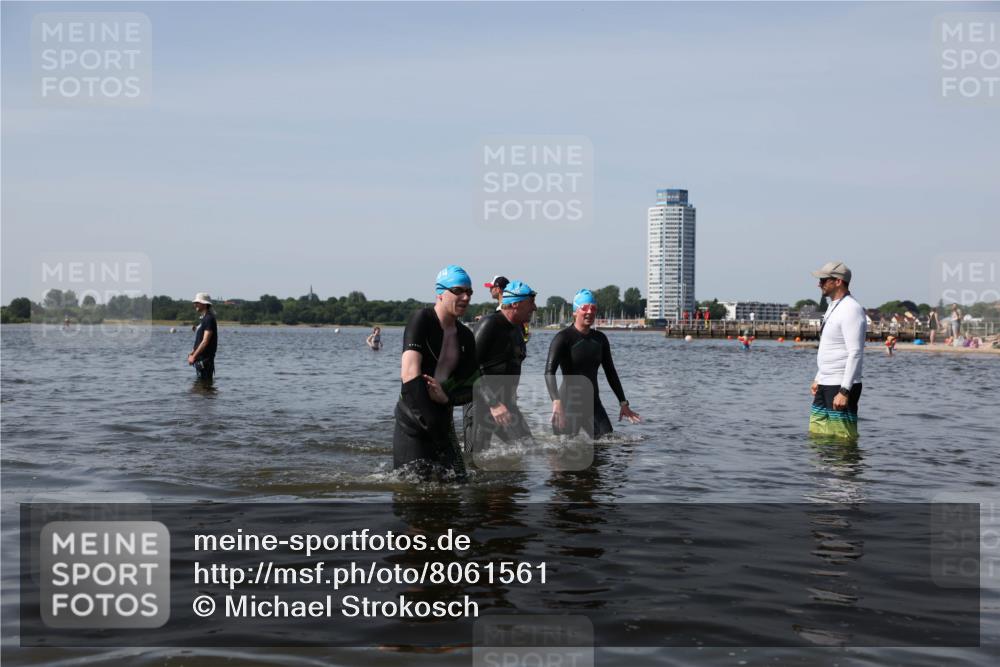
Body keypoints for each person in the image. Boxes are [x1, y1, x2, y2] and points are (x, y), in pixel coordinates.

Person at [392, 265, 478, 480]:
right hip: (413, 419)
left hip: (443, 419)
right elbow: (409, 374)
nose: (466, 297)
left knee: (458, 484)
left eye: (469, 292)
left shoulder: (466, 336)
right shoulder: (422, 320)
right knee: (413, 489)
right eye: (459, 291)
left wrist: (447, 397)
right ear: (440, 293)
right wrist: (434, 428)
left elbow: (474, 388)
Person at [545, 289, 641, 439]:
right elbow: (549, 372)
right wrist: (556, 402)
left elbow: (611, 372)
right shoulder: (563, 338)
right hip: (568, 405)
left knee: (607, 444)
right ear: (575, 312)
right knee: (563, 453)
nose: (590, 311)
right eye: (585, 308)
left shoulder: (600, 339)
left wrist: (623, 403)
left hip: (593, 404)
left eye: (593, 308)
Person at [463, 280, 537, 455]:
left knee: (531, 450)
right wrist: (493, 403)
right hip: (480, 404)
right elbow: (468, 368)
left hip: (506, 405)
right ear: (516, 304)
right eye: (531, 303)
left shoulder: (518, 329)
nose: (534, 308)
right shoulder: (490, 324)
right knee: (475, 461)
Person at [809, 262, 866, 440]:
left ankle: (846, 468)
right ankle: (819, 469)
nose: (819, 284)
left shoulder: (851, 309)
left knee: (842, 440)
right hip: (826, 381)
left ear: (838, 281)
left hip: (841, 385)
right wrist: (819, 376)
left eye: (824, 280)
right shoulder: (833, 306)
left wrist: (844, 391)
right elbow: (830, 346)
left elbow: (855, 352)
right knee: (817, 435)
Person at [187, 293, 218, 382]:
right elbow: (200, 340)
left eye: (197, 302)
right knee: (201, 391)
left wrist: (193, 356)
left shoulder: (209, 319)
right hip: (200, 361)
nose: (194, 304)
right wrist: (193, 353)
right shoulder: (204, 319)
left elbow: (205, 341)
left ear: (204, 304)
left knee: (204, 390)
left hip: (205, 361)